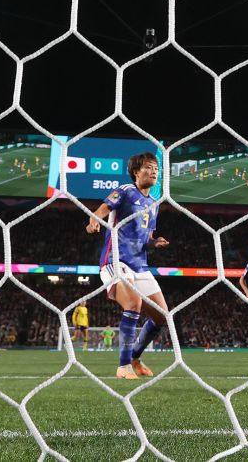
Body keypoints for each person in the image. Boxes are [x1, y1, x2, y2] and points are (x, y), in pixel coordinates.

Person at [87, 152, 169, 380]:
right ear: (136, 171)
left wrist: (154, 242)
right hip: (116, 261)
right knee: (133, 303)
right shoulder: (124, 191)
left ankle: (134, 357)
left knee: (162, 316)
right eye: (149, 167)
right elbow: (102, 209)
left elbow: (146, 236)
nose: (154, 171)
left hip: (140, 264)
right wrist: (94, 220)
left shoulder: (154, 204)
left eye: (156, 168)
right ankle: (123, 367)